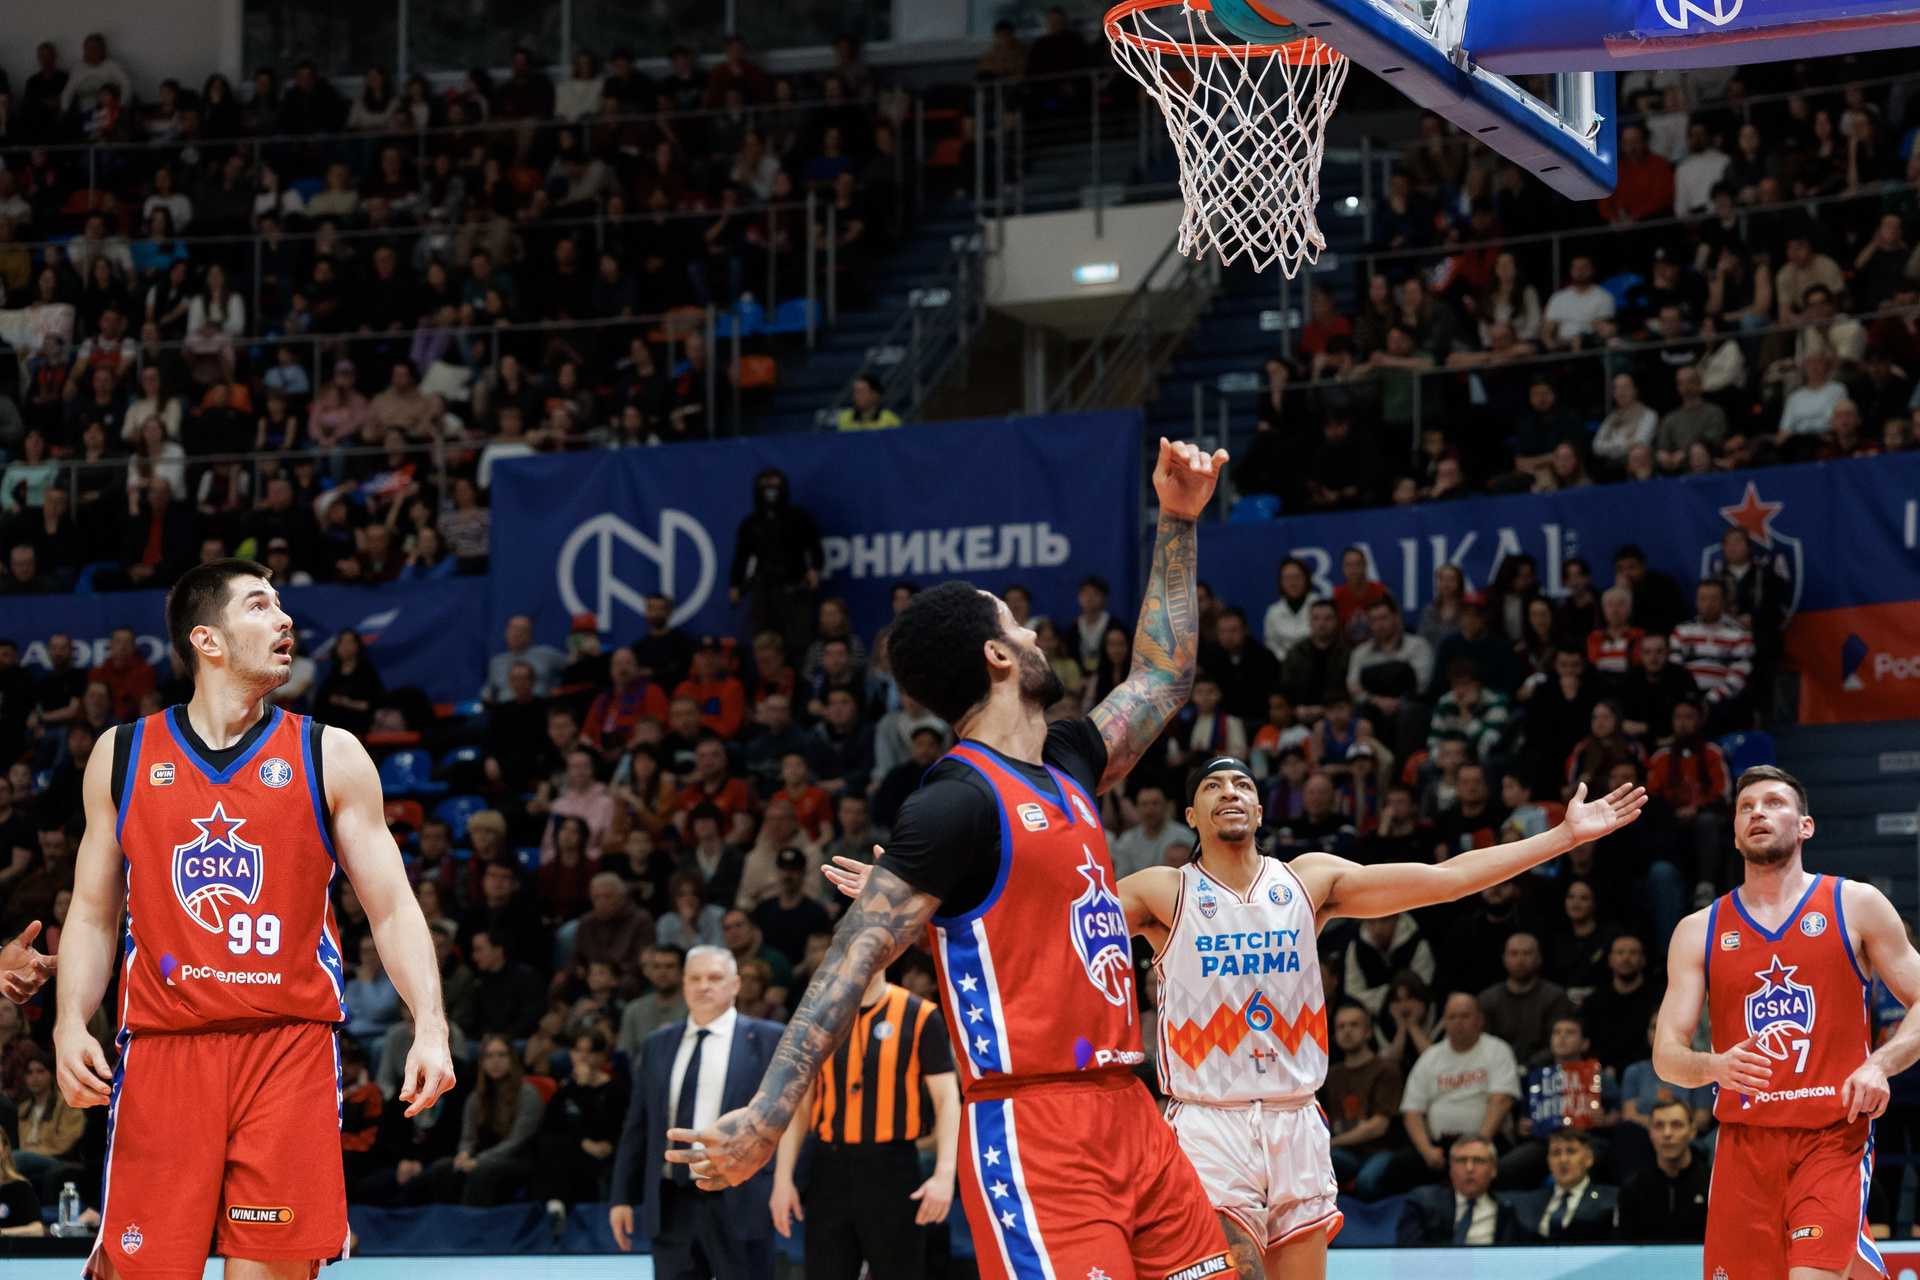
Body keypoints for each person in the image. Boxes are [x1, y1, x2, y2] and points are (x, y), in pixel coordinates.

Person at [661, 441, 1234, 1280]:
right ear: (998, 658)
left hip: (1132, 1111)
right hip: (1037, 1129)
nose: (1033, 632)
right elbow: (851, 959)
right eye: (1016, 625)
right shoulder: (953, 803)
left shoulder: (1069, 760)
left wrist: (1177, 520)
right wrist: (768, 1114)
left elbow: (1163, 676)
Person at [53, 558, 455, 1280]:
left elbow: (393, 905)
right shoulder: (123, 754)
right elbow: (90, 911)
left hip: (287, 1051)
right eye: (260, 605)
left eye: (281, 605)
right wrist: (69, 1022)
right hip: (164, 1051)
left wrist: (429, 1024)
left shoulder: (330, 753)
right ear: (206, 640)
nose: (285, 618)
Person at [1654, 766, 1920, 1280]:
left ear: (1805, 826)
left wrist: (1880, 1064)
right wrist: (1713, 1066)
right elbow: (1666, 1055)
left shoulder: (1855, 905)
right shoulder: (1698, 930)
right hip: (1743, 1146)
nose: (1758, 812)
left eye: (1774, 803)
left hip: (1832, 1136)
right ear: (1735, 834)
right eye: (1746, 807)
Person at [769, 970, 961, 1280]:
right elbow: (798, 1107)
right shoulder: (814, 1018)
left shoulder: (920, 1014)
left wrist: (945, 1174)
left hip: (893, 1167)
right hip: (828, 1168)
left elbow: (947, 1098)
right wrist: (782, 1179)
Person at [609, 946, 785, 1279]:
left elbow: (792, 1122)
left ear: (735, 985)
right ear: (684, 984)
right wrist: (620, 1197)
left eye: (714, 978)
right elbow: (638, 1125)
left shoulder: (769, 1040)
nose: (704, 986)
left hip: (740, 1197)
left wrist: (782, 1182)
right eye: (695, 978)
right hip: (671, 1200)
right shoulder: (657, 1043)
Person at [727, 468, 823, 663]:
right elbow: (741, 558)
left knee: (796, 640)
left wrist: (815, 569)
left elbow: (815, 548)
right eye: (765, 484)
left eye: (774, 483)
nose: (770, 489)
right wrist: (735, 585)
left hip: (794, 587)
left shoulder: (799, 518)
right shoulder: (751, 524)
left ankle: (796, 676)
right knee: (764, 639)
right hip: (763, 589)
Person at [1319, 1005, 1402, 1202]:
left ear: (1369, 1032)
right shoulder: (1331, 1074)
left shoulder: (1385, 1069)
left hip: (1379, 1151)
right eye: (1340, 1027)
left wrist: (1331, 1143)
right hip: (1343, 1153)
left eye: (1354, 1025)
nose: (1347, 1031)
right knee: (1313, 1167)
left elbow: (1379, 1126)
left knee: (1367, 1182)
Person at [1395, 1135, 1524, 1245]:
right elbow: (1408, 1253)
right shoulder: (1424, 1202)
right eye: (1462, 1160)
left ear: (1493, 1169)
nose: (1469, 1168)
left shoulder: (1508, 1208)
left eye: (1478, 1160)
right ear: (1451, 1168)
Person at [1615, 1096, 1711, 1242]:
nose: (1667, 1133)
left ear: (1692, 1131)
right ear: (1650, 1132)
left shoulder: (1713, 1185)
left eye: (1676, 1125)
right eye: (1659, 1126)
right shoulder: (1633, 1189)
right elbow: (1622, 1246)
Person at [1507, 1128, 1617, 1242]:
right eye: (1556, 1153)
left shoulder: (1610, 1199)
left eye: (1571, 1151)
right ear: (1548, 1161)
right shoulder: (1526, 1203)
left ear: (1589, 1158)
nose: (1563, 1160)